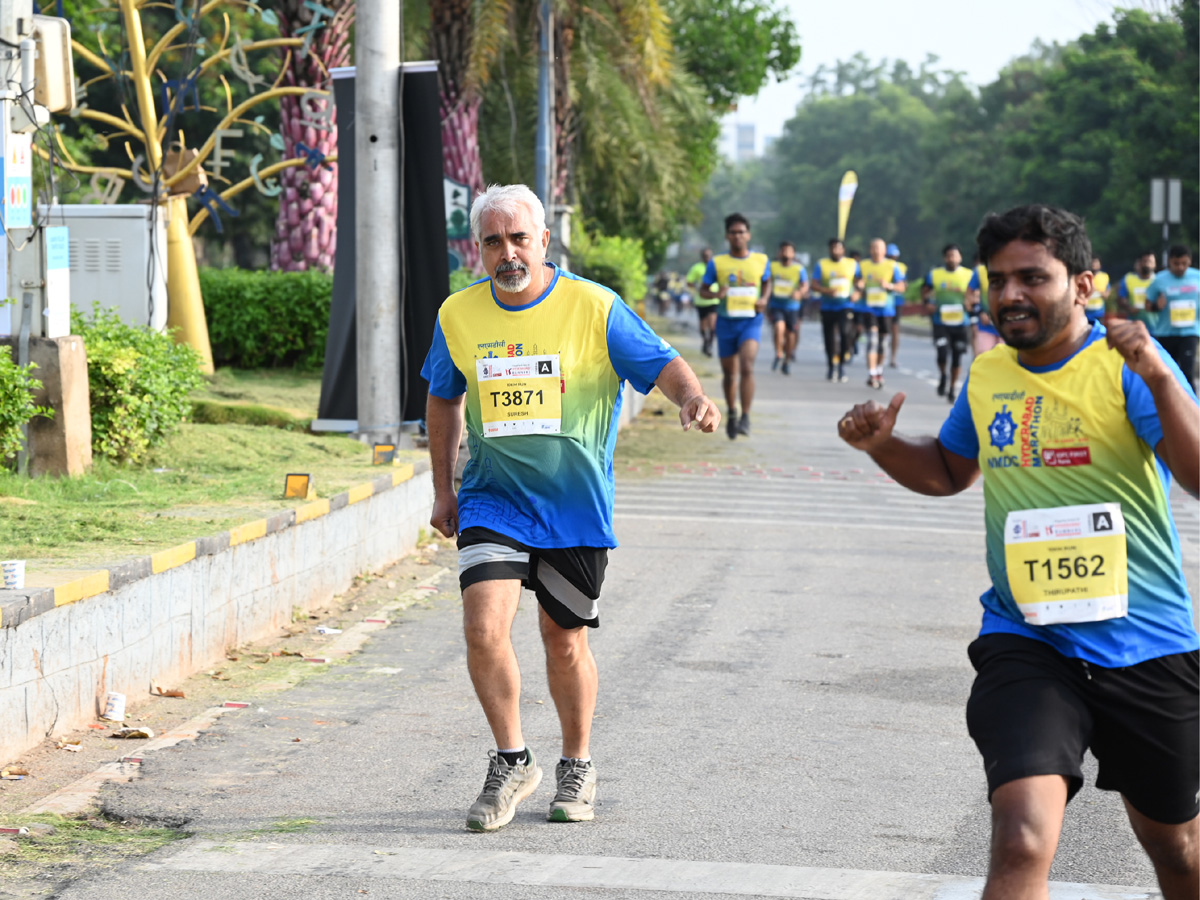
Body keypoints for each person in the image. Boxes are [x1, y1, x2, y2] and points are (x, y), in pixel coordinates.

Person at [837, 204, 1199, 900]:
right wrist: (881, 445)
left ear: (1083, 287)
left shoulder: (1127, 368)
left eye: (1032, 277)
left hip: (1146, 641)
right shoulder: (988, 375)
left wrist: (1157, 373)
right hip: (1028, 641)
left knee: (1178, 850)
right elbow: (948, 470)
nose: (1010, 295)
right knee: (1021, 838)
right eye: (998, 279)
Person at [422, 183, 721, 832]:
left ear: (543, 240)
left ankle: (577, 762)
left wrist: (691, 397)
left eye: (519, 238)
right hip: (492, 501)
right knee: (482, 628)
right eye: (493, 241)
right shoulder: (458, 315)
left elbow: (662, 362)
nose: (508, 253)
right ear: (479, 248)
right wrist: (444, 487)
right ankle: (511, 759)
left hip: (574, 509)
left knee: (563, 641)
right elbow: (443, 399)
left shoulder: (594, 306)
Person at [700, 213, 771, 438]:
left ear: (748, 235)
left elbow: (767, 282)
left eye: (741, 232)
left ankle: (746, 417)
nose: (737, 236)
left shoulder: (761, 260)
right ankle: (732, 412)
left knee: (747, 366)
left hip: (751, 322)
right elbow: (703, 289)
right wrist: (715, 293)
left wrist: (764, 299)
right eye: (733, 232)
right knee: (730, 374)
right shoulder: (717, 263)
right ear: (727, 236)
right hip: (726, 323)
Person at [922, 243, 973, 402]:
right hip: (940, 321)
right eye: (949, 256)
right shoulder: (935, 275)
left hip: (961, 322)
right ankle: (943, 375)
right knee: (942, 353)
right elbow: (925, 291)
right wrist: (928, 302)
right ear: (945, 258)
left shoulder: (969, 275)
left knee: (957, 357)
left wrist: (970, 302)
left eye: (955, 255)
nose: (952, 259)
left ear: (960, 257)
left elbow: (975, 294)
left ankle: (952, 387)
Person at [1146, 245, 1199, 388]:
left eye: (1184, 263)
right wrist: (1157, 306)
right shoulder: (1159, 280)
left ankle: (1192, 408)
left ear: (1190, 261)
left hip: (1190, 332)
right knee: (1167, 373)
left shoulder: (1197, 276)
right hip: (1166, 333)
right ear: (1169, 262)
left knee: (1187, 372)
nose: (1180, 267)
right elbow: (1147, 305)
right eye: (1176, 264)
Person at [811, 238, 861, 382]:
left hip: (845, 306)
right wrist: (826, 290)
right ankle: (831, 366)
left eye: (838, 248)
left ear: (843, 250)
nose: (835, 251)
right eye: (832, 248)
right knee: (829, 338)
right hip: (827, 306)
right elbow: (814, 285)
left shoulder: (852, 264)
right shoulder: (822, 264)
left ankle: (841, 367)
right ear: (829, 250)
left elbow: (860, 282)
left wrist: (857, 292)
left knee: (845, 333)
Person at [858, 238, 905, 389]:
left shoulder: (892, 266)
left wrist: (889, 285)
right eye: (873, 248)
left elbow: (902, 287)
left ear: (884, 251)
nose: (876, 251)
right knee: (872, 341)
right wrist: (858, 285)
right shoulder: (863, 265)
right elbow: (857, 281)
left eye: (879, 248)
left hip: (886, 310)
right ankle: (872, 374)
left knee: (882, 344)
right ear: (870, 250)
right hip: (869, 309)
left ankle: (879, 370)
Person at [768, 240, 808, 375]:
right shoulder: (772, 266)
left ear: (793, 254)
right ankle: (779, 353)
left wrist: (800, 292)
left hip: (793, 307)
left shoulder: (799, 268)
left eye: (788, 251)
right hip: (776, 305)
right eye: (783, 250)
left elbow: (805, 285)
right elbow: (765, 282)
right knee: (778, 328)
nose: (785, 253)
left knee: (791, 335)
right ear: (779, 253)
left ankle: (787, 360)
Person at [970, 253, 1003, 355]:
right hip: (985, 324)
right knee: (983, 356)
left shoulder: (1012, 268)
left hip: (1006, 325)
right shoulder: (979, 271)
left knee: (1006, 359)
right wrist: (979, 312)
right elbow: (968, 295)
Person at [687, 248, 717, 355]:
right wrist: (697, 286)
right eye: (705, 256)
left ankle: (709, 344)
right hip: (701, 301)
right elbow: (689, 281)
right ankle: (705, 340)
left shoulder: (716, 266)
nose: (707, 258)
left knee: (713, 324)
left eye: (709, 255)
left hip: (714, 299)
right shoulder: (696, 268)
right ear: (702, 256)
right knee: (703, 326)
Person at [1116, 251, 1157, 326]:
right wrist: (1129, 307)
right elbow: (1120, 298)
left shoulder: (1158, 280)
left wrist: (1154, 307)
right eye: (1145, 261)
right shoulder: (1128, 279)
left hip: (1155, 327)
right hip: (1134, 326)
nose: (1148, 264)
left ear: (1155, 264)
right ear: (1139, 263)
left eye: (1150, 262)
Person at [884, 243, 906, 368]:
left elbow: (903, 284)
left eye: (894, 256)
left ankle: (893, 357)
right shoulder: (882, 266)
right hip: (884, 302)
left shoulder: (901, 267)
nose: (892, 258)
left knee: (895, 329)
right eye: (890, 256)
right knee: (884, 331)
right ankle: (883, 354)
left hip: (897, 301)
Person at [1085, 255, 1111, 325]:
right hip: (1085, 313)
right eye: (1092, 262)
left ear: (1100, 265)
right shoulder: (1084, 276)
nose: (1093, 264)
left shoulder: (1104, 277)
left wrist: (1097, 291)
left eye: (1096, 262)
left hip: (1099, 313)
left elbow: (1107, 295)